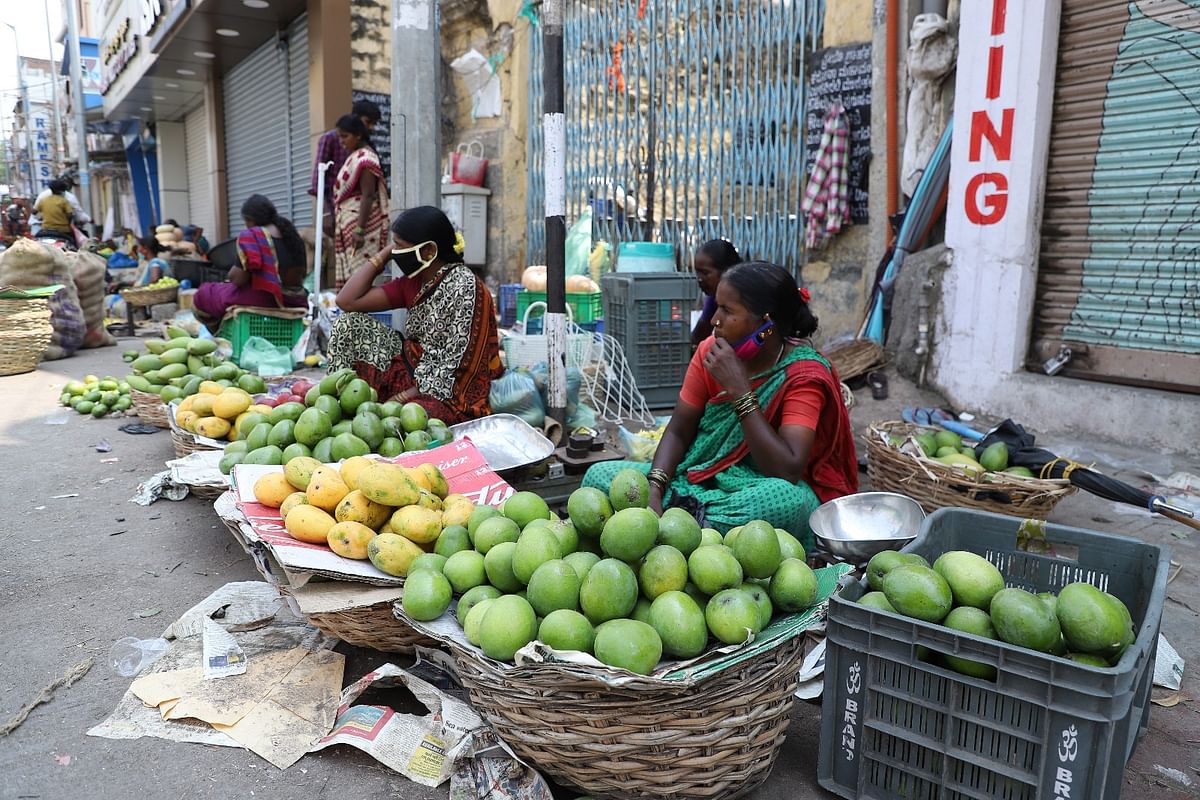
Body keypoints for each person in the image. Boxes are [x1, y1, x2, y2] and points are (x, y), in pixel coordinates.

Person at [582, 262, 858, 549]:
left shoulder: (802, 374)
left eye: (727, 311)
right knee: (598, 476)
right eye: (717, 307)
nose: (714, 319)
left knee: (789, 502)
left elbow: (786, 470)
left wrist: (740, 389)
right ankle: (687, 528)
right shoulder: (709, 353)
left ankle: (682, 531)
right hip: (695, 478)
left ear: (766, 324)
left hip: (754, 489)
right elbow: (678, 430)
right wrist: (654, 486)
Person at [328, 205, 502, 424]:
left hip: (450, 390)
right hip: (415, 369)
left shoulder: (465, 288)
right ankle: (335, 410)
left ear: (429, 251)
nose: (396, 252)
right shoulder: (412, 282)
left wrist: (399, 399)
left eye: (399, 246)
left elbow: (454, 368)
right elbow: (347, 301)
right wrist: (384, 255)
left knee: (412, 418)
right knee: (349, 326)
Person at [192, 194, 309, 331]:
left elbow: (238, 280)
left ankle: (221, 335)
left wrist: (230, 275)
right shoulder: (291, 234)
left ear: (250, 220)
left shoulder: (253, 235)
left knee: (204, 294)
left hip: (269, 299)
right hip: (297, 299)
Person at [332, 114, 389, 289]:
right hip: (350, 223)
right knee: (353, 278)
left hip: (362, 226)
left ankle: (361, 315)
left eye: (345, 136)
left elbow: (368, 195)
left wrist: (360, 229)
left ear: (358, 135)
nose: (341, 142)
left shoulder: (365, 159)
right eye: (339, 136)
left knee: (360, 279)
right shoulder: (356, 155)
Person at [310, 99, 382, 235]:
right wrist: (325, 214)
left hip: (363, 215)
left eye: (374, 123)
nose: (371, 127)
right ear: (356, 119)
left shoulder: (367, 149)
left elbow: (369, 191)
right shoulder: (331, 139)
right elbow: (318, 179)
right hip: (336, 209)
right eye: (368, 122)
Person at [691, 239, 742, 345]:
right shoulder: (714, 298)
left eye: (705, 273)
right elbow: (699, 336)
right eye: (697, 273)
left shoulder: (747, 298)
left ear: (726, 271)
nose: (699, 279)